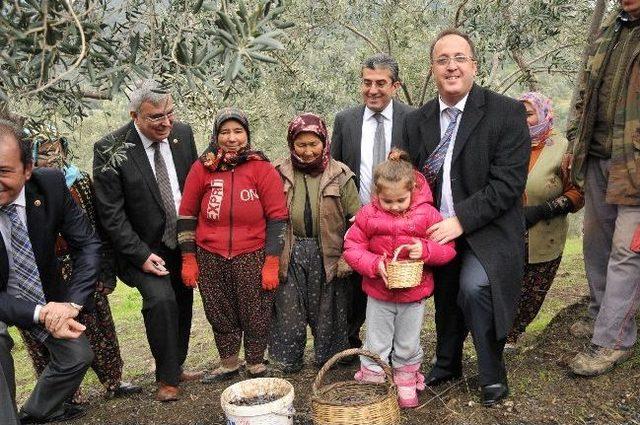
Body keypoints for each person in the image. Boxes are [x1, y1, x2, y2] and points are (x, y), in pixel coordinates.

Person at [401, 29, 530, 406]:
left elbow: (507, 184)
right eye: (443, 60)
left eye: (460, 58)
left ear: (474, 65)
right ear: (432, 68)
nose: (451, 66)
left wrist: (459, 221)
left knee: (473, 288)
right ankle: (448, 362)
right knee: (444, 293)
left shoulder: (505, 112)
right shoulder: (417, 119)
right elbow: (414, 178)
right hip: (434, 227)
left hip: (488, 229)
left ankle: (492, 373)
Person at [92, 80, 202, 402]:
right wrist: (141, 255)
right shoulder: (110, 148)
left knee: (182, 301)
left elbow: (192, 186)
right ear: (134, 115)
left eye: (169, 113)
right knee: (160, 301)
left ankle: (175, 365)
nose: (165, 122)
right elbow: (111, 215)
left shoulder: (184, 134)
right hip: (139, 248)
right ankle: (167, 379)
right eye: (155, 117)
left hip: (180, 242)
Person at [16, 133, 142, 400]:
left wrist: (105, 271)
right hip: (37, 272)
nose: (51, 157)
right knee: (44, 333)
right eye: (43, 151)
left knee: (98, 327)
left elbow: (96, 229)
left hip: (80, 269)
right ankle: (67, 396)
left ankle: (113, 380)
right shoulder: (22, 188)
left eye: (55, 149)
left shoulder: (80, 180)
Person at [0, 117, 100, 423]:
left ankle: (35, 412)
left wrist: (70, 306)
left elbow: (88, 246)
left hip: (45, 294)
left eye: (3, 171)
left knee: (77, 356)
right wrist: (42, 314)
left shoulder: (52, 185)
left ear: (28, 169)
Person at [178, 107, 288, 381]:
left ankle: (255, 364)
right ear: (216, 136)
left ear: (247, 135)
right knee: (219, 310)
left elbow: (277, 217)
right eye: (225, 132)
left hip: (252, 253)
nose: (232, 138)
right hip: (210, 254)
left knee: (256, 311)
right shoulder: (202, 168)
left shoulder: (261, 168)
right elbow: (187, 215)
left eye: (238, 131)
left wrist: (272, 261)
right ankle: (228, 364)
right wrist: (188, 258)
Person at [343, 149, 456, 408]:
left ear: (413, 190)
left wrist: (426, 251)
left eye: (401, 201)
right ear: (376, 195)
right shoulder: (367, 215)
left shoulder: (427, 214)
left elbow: (448, 249)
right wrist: (373, 263)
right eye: (387, 202)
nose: (394, 207)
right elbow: (352, 248)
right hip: (378, 292)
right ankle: (373, 377)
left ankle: (405, 379)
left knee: (408, 340)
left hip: (413, 294)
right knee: (376, 339)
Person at [565, 0, 640, 376]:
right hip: (597, 154)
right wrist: (573, 139)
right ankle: (601, 316)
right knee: (596, 242)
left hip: (637, 164)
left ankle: (613, 340)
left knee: (628, 251)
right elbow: (585, 89)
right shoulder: (612, 27)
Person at [331, 53, 415, 350]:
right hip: (358, 220)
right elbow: (335, 170)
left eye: (381, 83)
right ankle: (350, 344)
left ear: (395, 86)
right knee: (353, 286)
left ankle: (395, 348)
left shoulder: (412, 119)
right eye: (367, 82)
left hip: (398, 220)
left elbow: (419, 170)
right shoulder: (345, 120)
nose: (373, 90)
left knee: (394, 284)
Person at [269, 113, 360, 373]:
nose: (308, 151)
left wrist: (347, 255)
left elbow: (357, 221)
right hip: (291, 249)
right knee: (288, 307)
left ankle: (330, 361)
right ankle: (287, 361)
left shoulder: (341, 175)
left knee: (329, 308)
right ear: (291, 144)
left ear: (324, 142)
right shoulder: (278, 173)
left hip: (328, 252)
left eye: (313, 144)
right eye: (301, 145)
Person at [505, 92, 584, 347]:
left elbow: (577, 193)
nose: (521, 119)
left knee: (530, 295)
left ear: (544, 114)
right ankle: (496, 337)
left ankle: (512, 338)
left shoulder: (562, 148)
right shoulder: (506, 143)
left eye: (528, 114)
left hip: (544, 235)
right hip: (506, 234)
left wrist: (543, 210)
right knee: (500, 290)